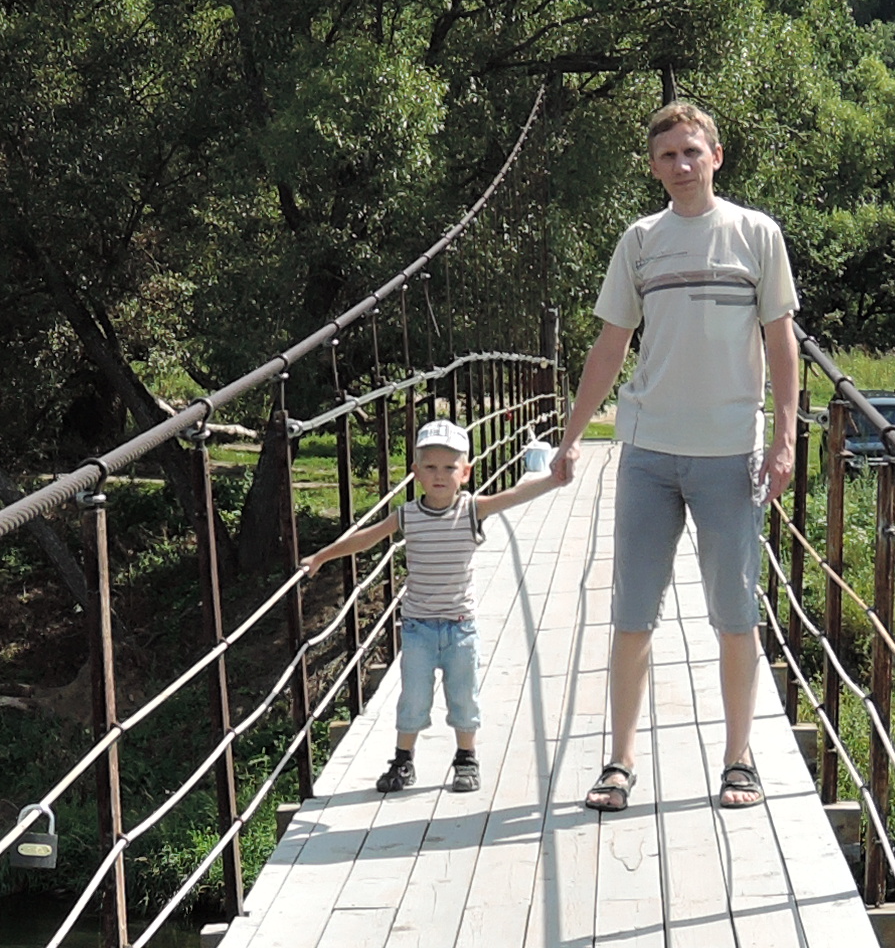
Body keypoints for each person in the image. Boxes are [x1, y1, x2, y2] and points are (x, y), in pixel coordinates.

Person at [551, 99, 800, 813]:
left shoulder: (757, 235)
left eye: (693, 151)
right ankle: (620, 762)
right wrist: (572, 436)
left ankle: (738, 760)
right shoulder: (639, 241)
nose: (682, 165)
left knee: (735, 615)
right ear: (654, 167)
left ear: (716, 156)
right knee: (632, 612)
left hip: (730, 453)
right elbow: (610, 346)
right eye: (669, 155)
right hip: (649, 452)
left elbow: (782, 342)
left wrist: (785, 438)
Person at [304, 414, 570, 794]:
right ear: (415, 472)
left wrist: (552, 480)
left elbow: (514, 496)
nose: (439, 475)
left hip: (461, 627)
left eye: (449, 467)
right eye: (430, 467)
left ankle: (466, 759)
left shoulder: (472, 509)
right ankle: (403, 761)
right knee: (413, 698)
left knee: (463, 698)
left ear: (466, 472)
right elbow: (366, 538)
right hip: (419, 629)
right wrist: (322, 557)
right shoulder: (407, 516)